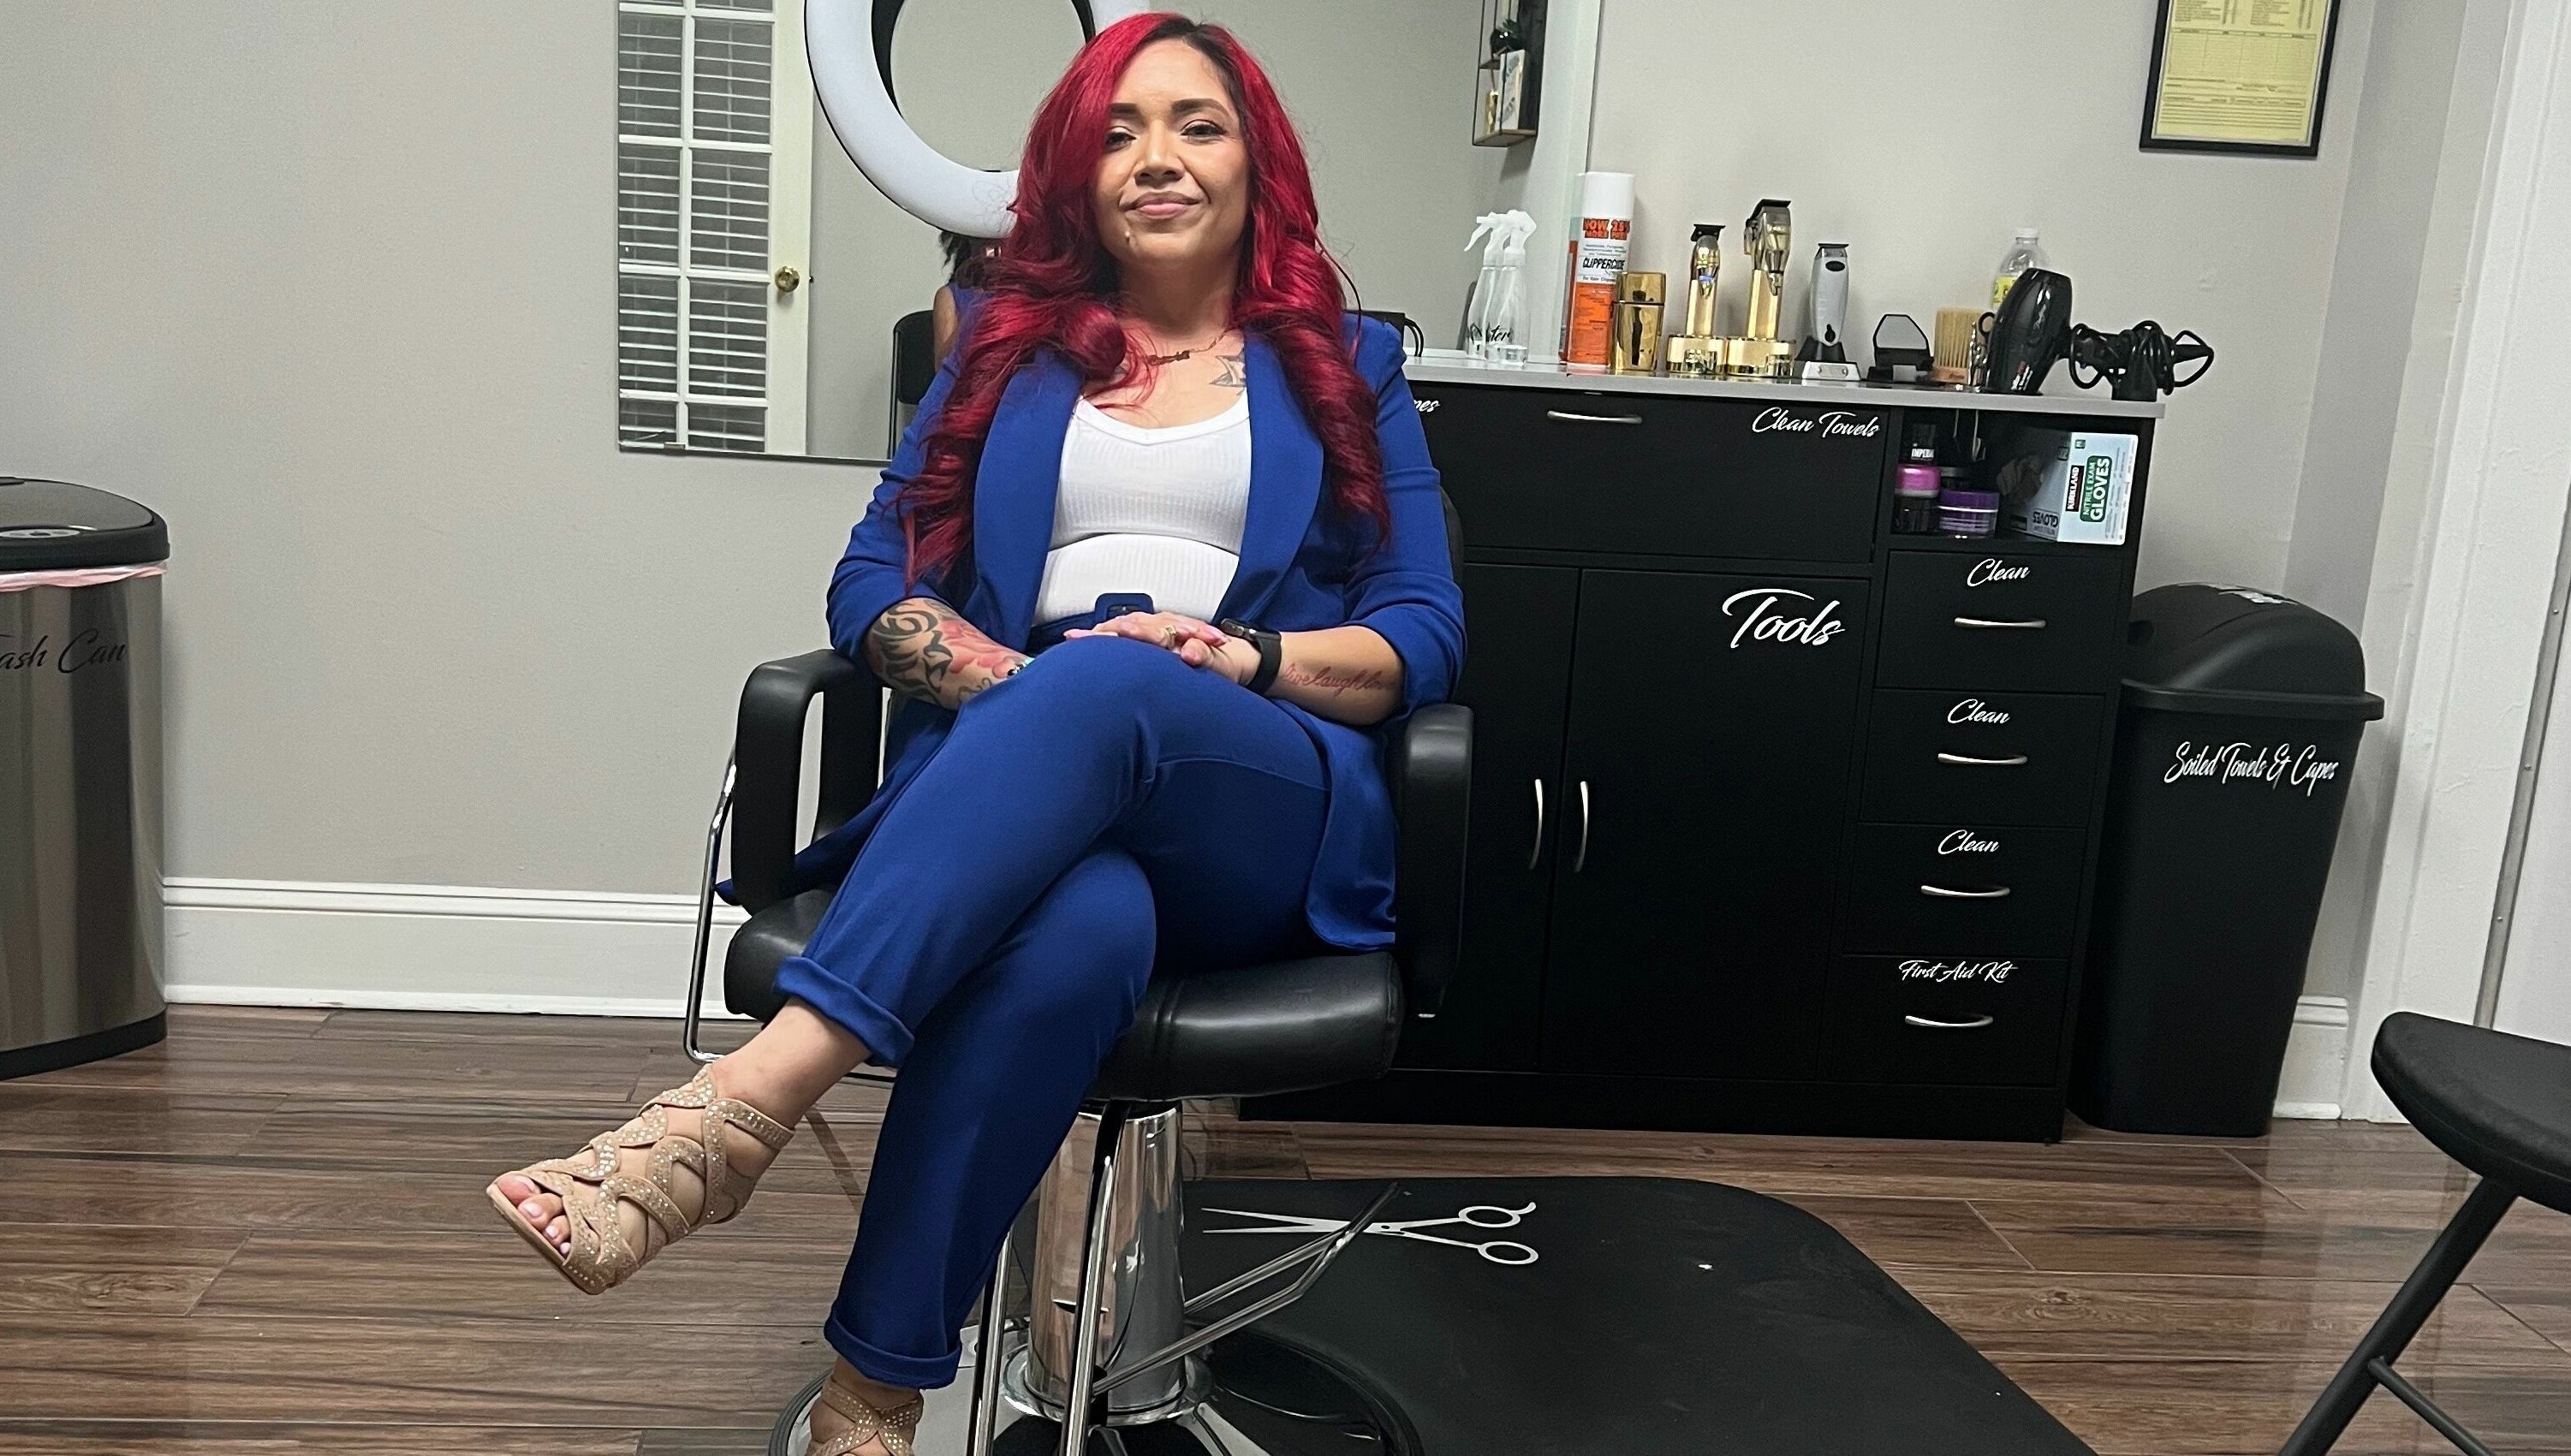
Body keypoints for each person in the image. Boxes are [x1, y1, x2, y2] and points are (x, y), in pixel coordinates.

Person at [486, 13, 1462, 1456]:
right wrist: (1017, 685)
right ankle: (872, 1399)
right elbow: (869, 583)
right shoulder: (1001, 353)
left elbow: (1421, 633)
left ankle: (738, 1108)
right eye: (1117, 133)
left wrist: (1240, 655)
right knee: (1077, 921)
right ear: (1076, 175)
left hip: (1252, 797)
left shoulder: (1346, 364)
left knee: (1115, 681)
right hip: (1029, 784)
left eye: (1194, 125)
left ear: (1257, 161)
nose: (1156, 158)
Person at [933, 229, 1001, 363]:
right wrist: (980, 301)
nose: (988, 253)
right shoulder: (950, 295)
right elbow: (943, 364)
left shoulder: (1026, 291)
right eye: (980, 242)